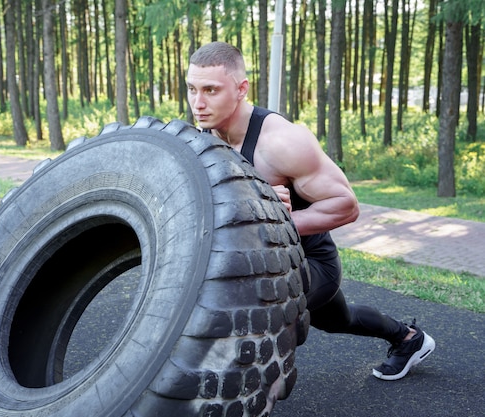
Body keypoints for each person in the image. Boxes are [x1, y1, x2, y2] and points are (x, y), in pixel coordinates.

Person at [186, 41, 435, 382]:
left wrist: (272, 217)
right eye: (192, 89)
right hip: (252, 262)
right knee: (337, 320)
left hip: (307, 262)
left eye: (211, 90)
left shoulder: (281, 142)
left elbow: (346, 205)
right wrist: (252, 202)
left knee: (242, 316)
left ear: (242, 89)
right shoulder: (203, 136)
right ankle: (408, 337)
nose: (198, 103)